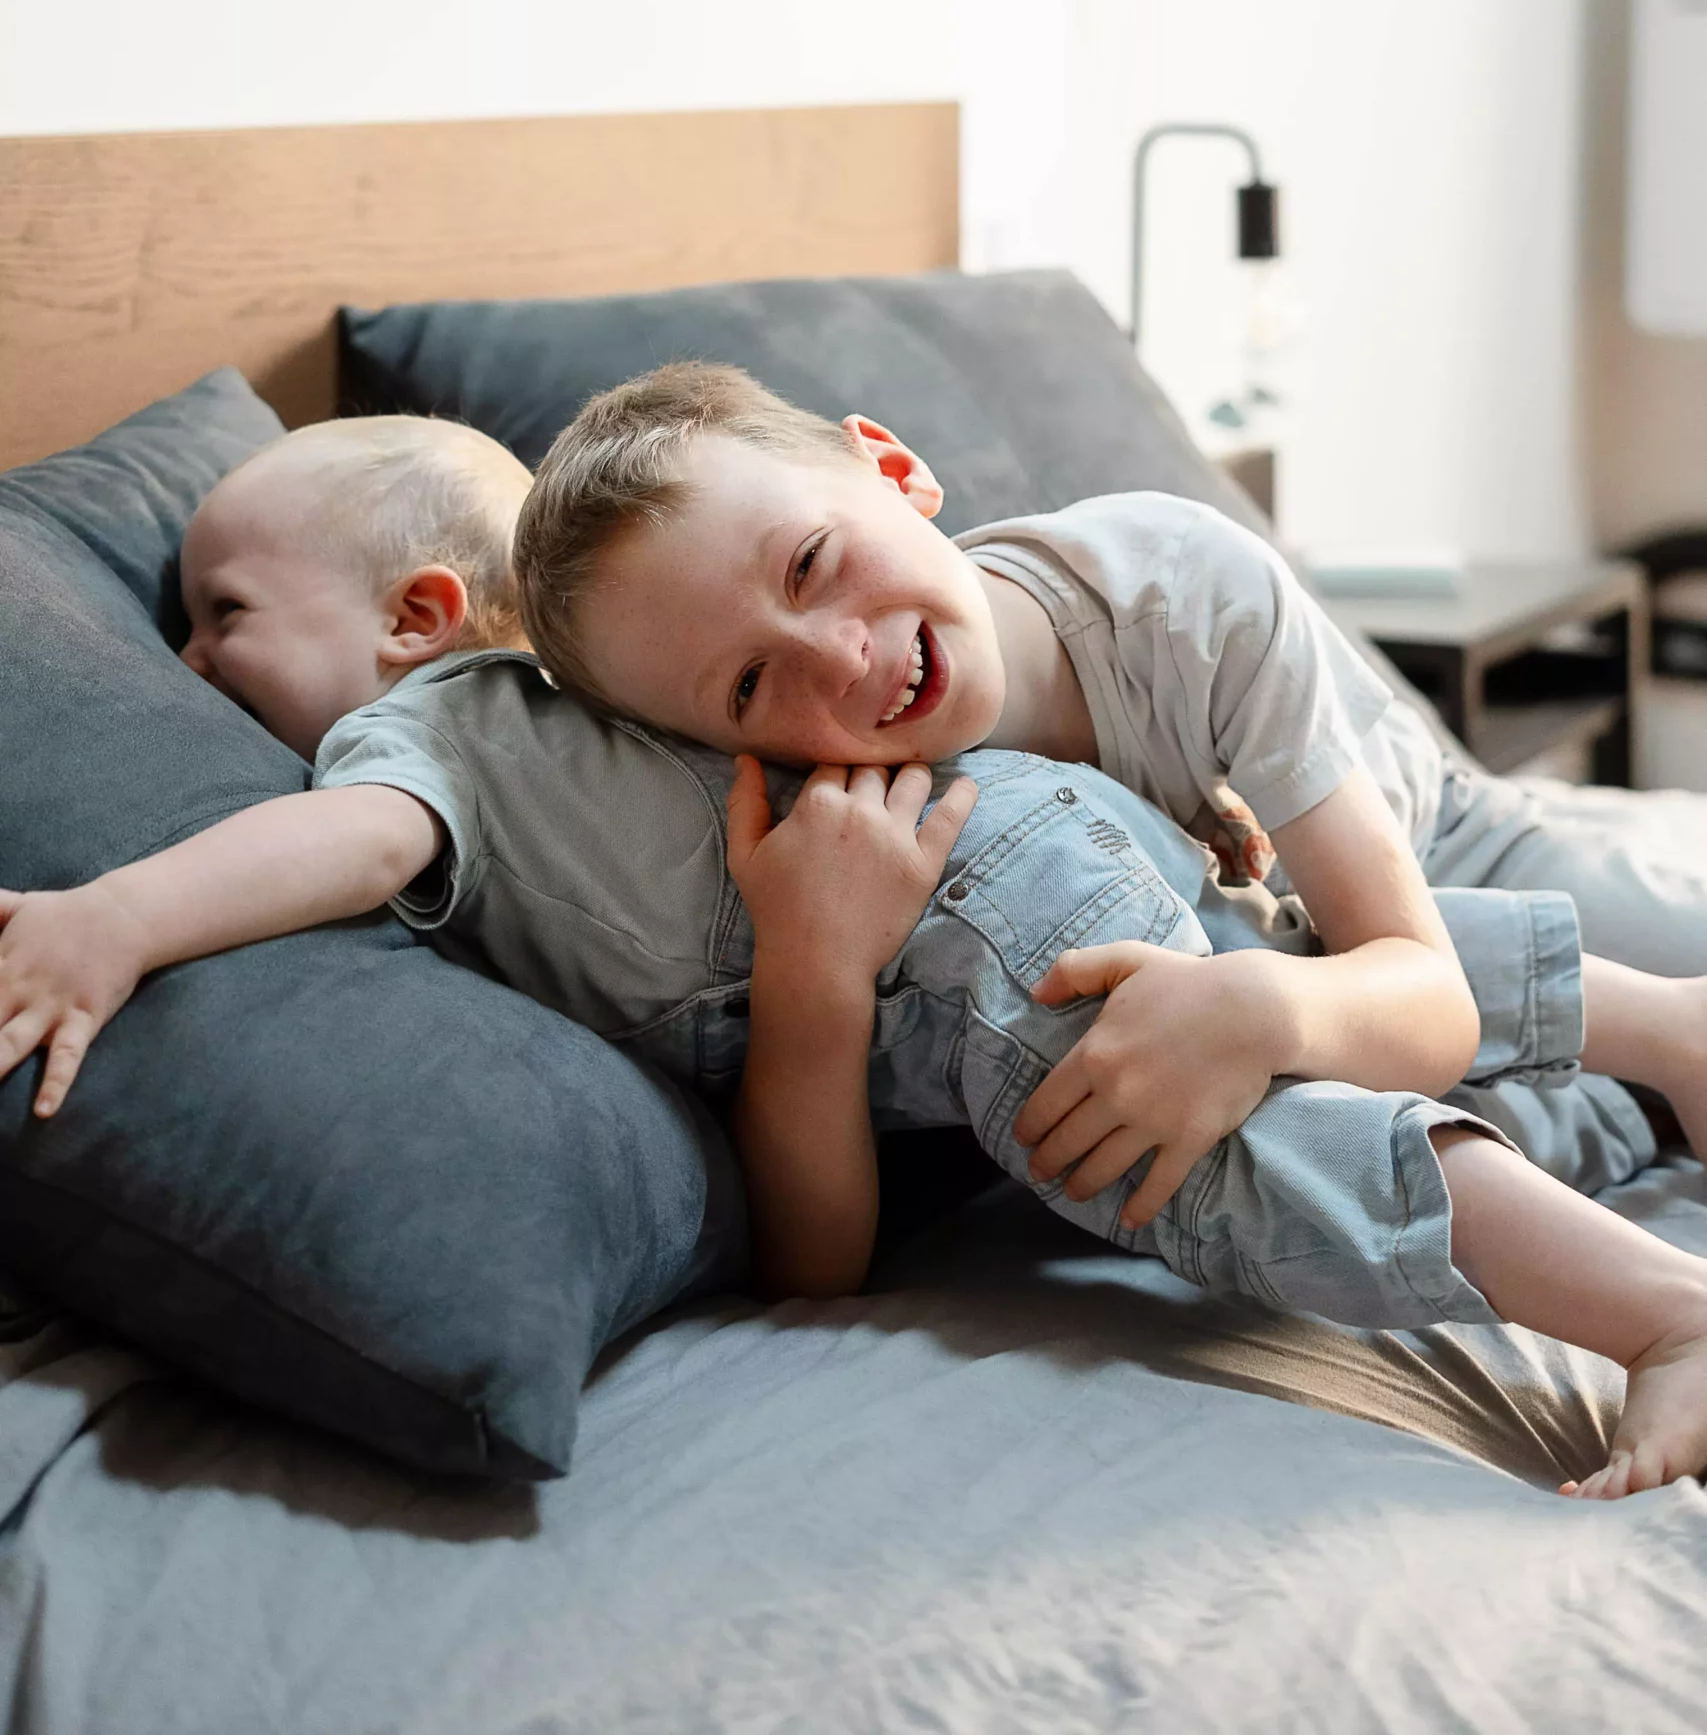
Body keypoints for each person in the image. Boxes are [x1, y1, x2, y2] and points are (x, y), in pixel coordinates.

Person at [2, 408, 1707, 1497]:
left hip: (1036, 885)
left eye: (218, 616)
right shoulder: (642, 714)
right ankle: (1669, 1039)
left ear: (421, 622)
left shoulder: (425, 732)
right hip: (982, 902)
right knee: (1220, 945)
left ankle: (1657, 1306)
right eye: (746, 692)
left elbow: (347, 838)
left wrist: (116, 914)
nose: (187, 661)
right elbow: (825, 1261)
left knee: (1192, 1072)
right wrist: (824, 972)